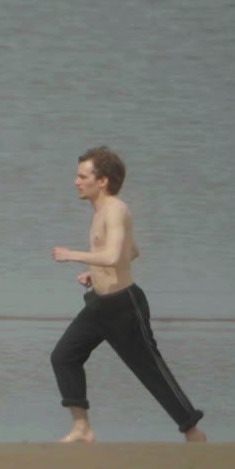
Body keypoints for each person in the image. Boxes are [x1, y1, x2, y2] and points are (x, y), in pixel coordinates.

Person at [50, 146, 206, 443]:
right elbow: (130, 252)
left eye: (83, 176)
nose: (76, 181)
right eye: (77, 176)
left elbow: (112, 255)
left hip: (124, 308)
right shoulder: (100, 212)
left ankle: (193, 432)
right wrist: (93, 274)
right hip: (99, 305)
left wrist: (73, 255)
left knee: (150, 371)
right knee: (63, 357)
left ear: (103, 181)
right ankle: (82, 427)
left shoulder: (116, 210)